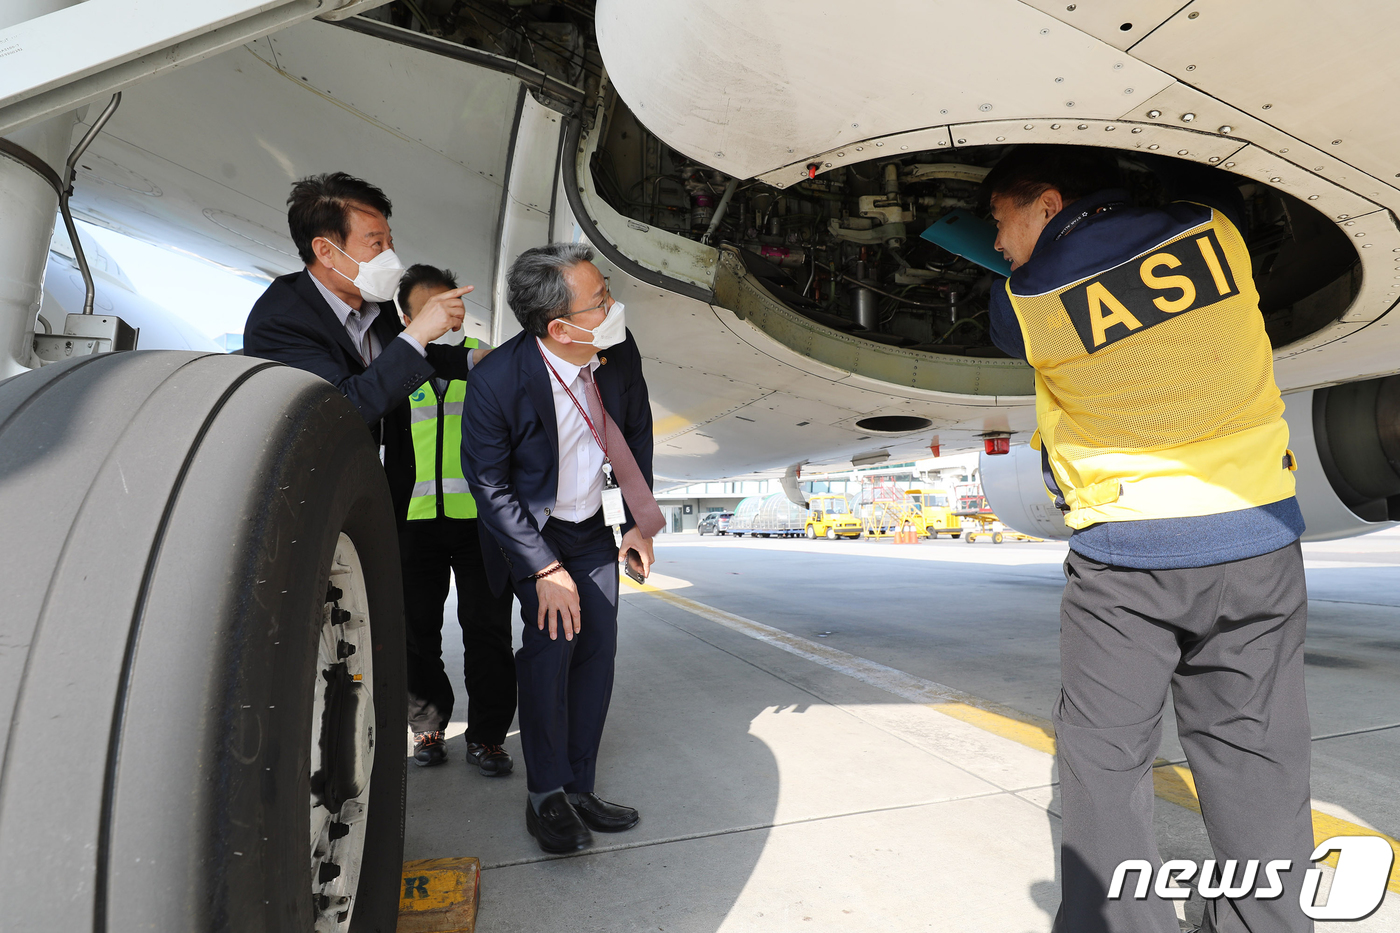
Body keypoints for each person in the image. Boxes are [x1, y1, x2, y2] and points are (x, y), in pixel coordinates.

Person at [983, 145, 1313, 933]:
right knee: (1257, 760)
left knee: (1106, 763)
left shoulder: (1024, 301)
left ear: (1049, 204)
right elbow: (1193, 182)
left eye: (1001, 223)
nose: (999, 245)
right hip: (1260, 537)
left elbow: (1008, 317)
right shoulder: (1215, 232)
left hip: (1131, 561)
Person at [243, 173, 489, 767]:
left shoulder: (373, 312)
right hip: (308, 504)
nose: (390, 256)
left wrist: (486, 357)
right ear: (325, 250)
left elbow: (424, 366)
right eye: (375, 242)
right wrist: (417, 334)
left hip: (367, 499)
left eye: (389, 239)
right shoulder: (282, 319)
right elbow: (344, 407)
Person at [462, 243, 664, 855]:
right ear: (559, 327)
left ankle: (580, 788)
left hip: (590, 531)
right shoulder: (499, 381)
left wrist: (637, 523)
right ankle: (544, 796)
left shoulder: (618, 353)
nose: (614, 308)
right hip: (534, 533)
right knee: (551, 649)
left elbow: (636, 433)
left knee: (597, 652)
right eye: (600, 302)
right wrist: (543, 567)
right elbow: (489, 486)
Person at [387, 264, 517, 773]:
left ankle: (487, 737)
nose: (443, 318)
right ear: (405, 316)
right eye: (428, 311)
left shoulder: (485, 360)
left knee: (487, 629)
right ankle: (428, 728)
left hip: (478, 526)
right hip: (412, 525)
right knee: (417, 633)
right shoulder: (392, 368)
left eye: (449, 307)